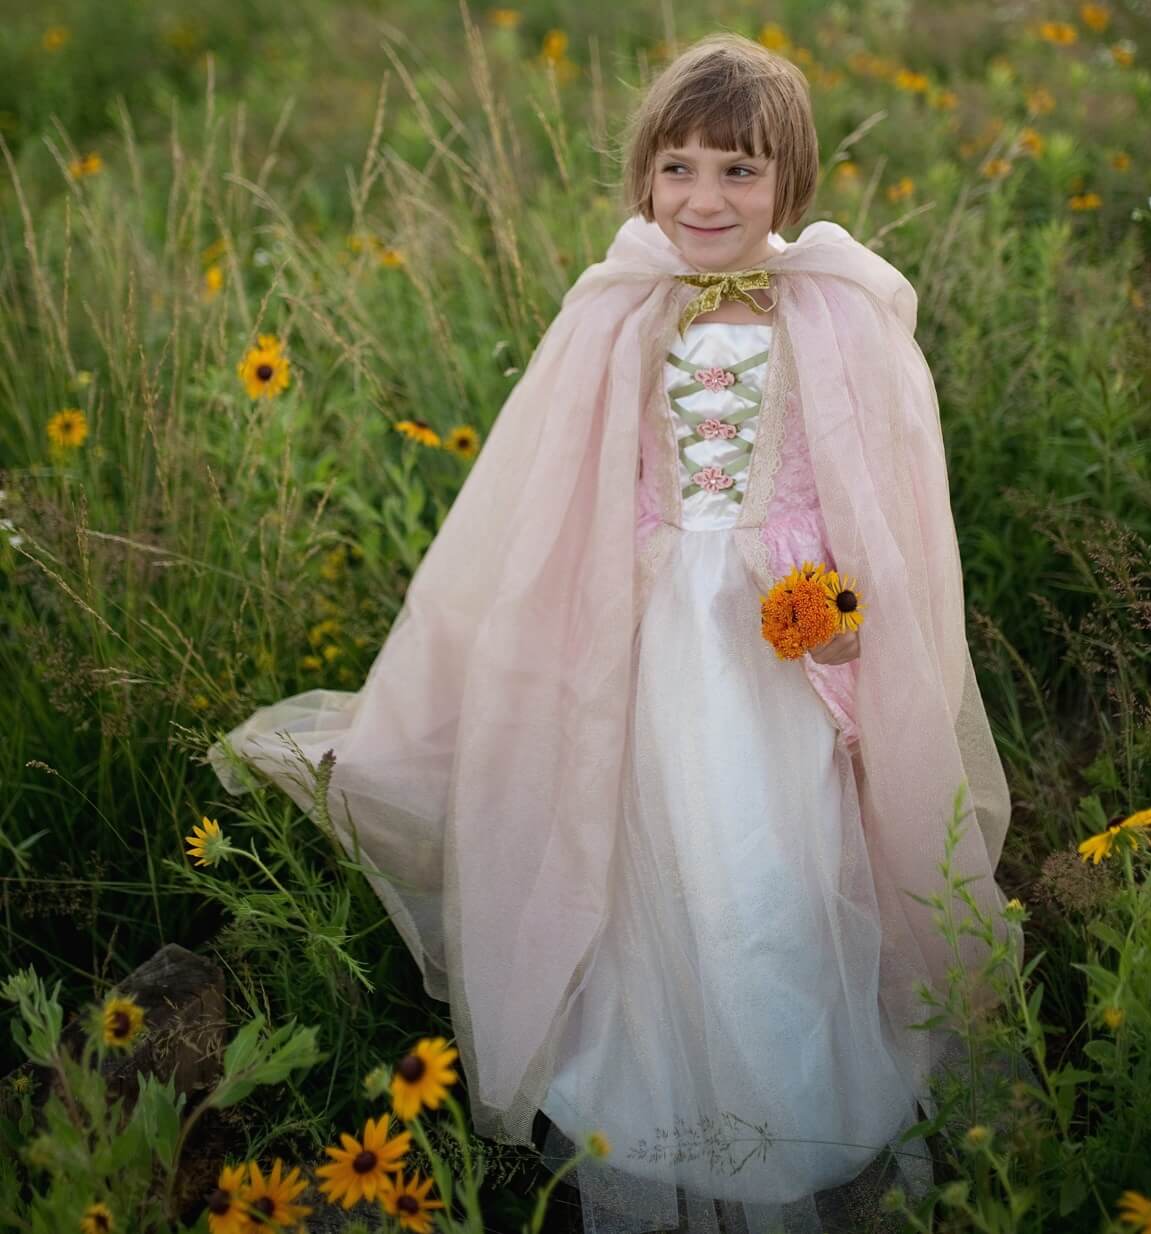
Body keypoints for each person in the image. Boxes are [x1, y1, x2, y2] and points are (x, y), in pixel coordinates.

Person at [208, 31, 1024, 1234]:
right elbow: (550, 495)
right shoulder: (615, 310)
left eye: (739, 172)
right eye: (680, 167)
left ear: (789, 186)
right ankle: (665, 1079)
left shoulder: (836, 312)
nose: (705, 198)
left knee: (782, 854)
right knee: (667, 848)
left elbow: (886, 496)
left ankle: (804, 1094)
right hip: (650, 639)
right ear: (644, 175)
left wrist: (848, 613)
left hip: (778, 645)